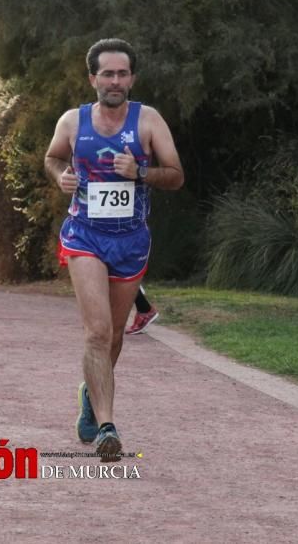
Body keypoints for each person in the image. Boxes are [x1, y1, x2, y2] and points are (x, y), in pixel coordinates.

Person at [44, 38, 184, 461]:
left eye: (123, 73)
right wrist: (60, 177)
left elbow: (176, 176)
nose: (115, 81)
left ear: (132, 78)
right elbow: (52, 158)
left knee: (115, 336)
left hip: (131, 240)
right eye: (108, 73)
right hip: (84, 235)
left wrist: (140, 171)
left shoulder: (148, 121)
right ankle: (107, 427)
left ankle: (91, 395)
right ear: (93, 78)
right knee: (98, 332)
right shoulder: (73, 122)